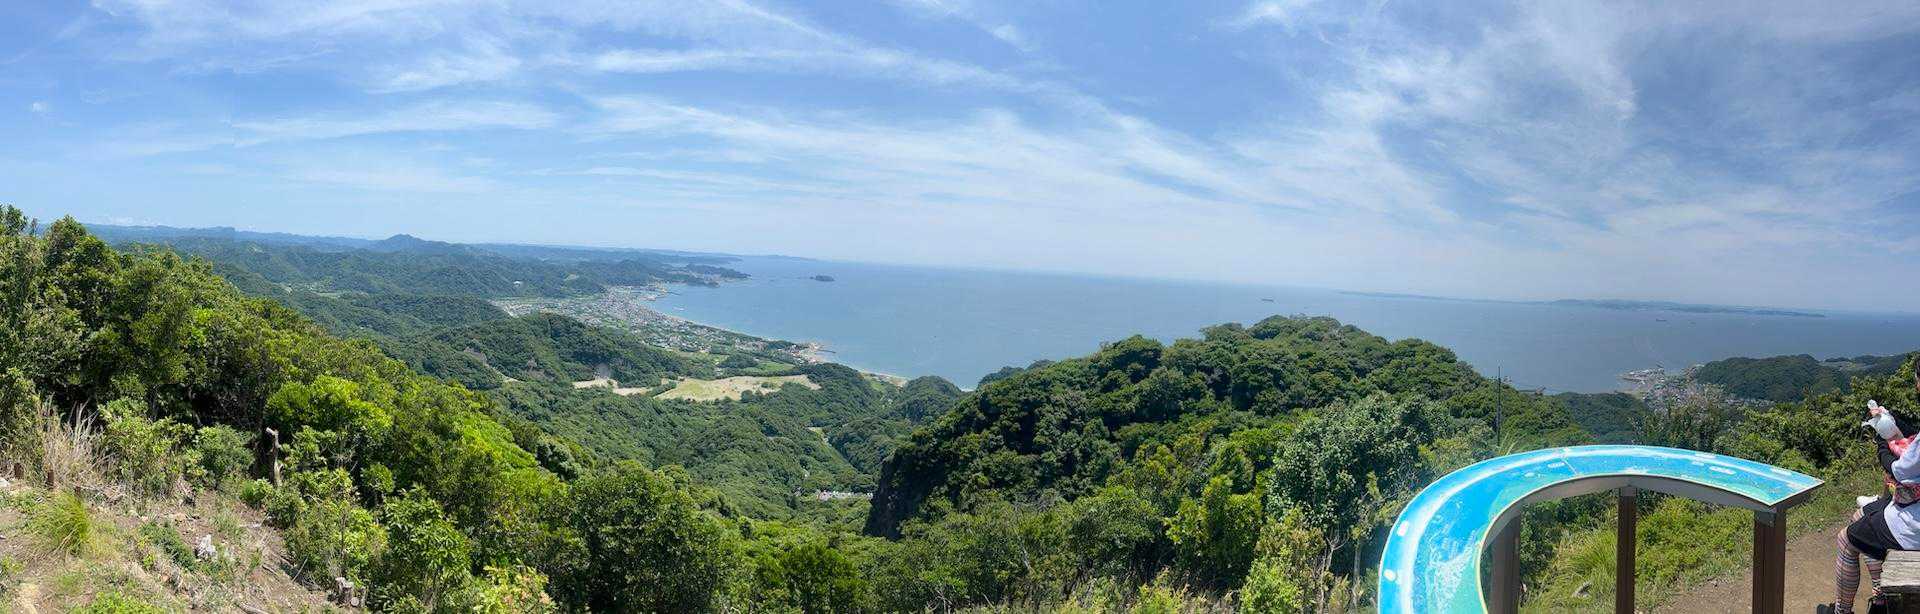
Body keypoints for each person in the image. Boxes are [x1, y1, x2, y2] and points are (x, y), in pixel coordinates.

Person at [1823, 372, 1920, 614]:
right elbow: (1913, 439)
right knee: (1859, 517)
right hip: (1912, 507)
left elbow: (1899, 470)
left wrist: (1883, 440)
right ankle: (1879, 598)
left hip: (1914, 524)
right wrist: (1891, 422)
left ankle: (1842, 611)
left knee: (1845, 540)